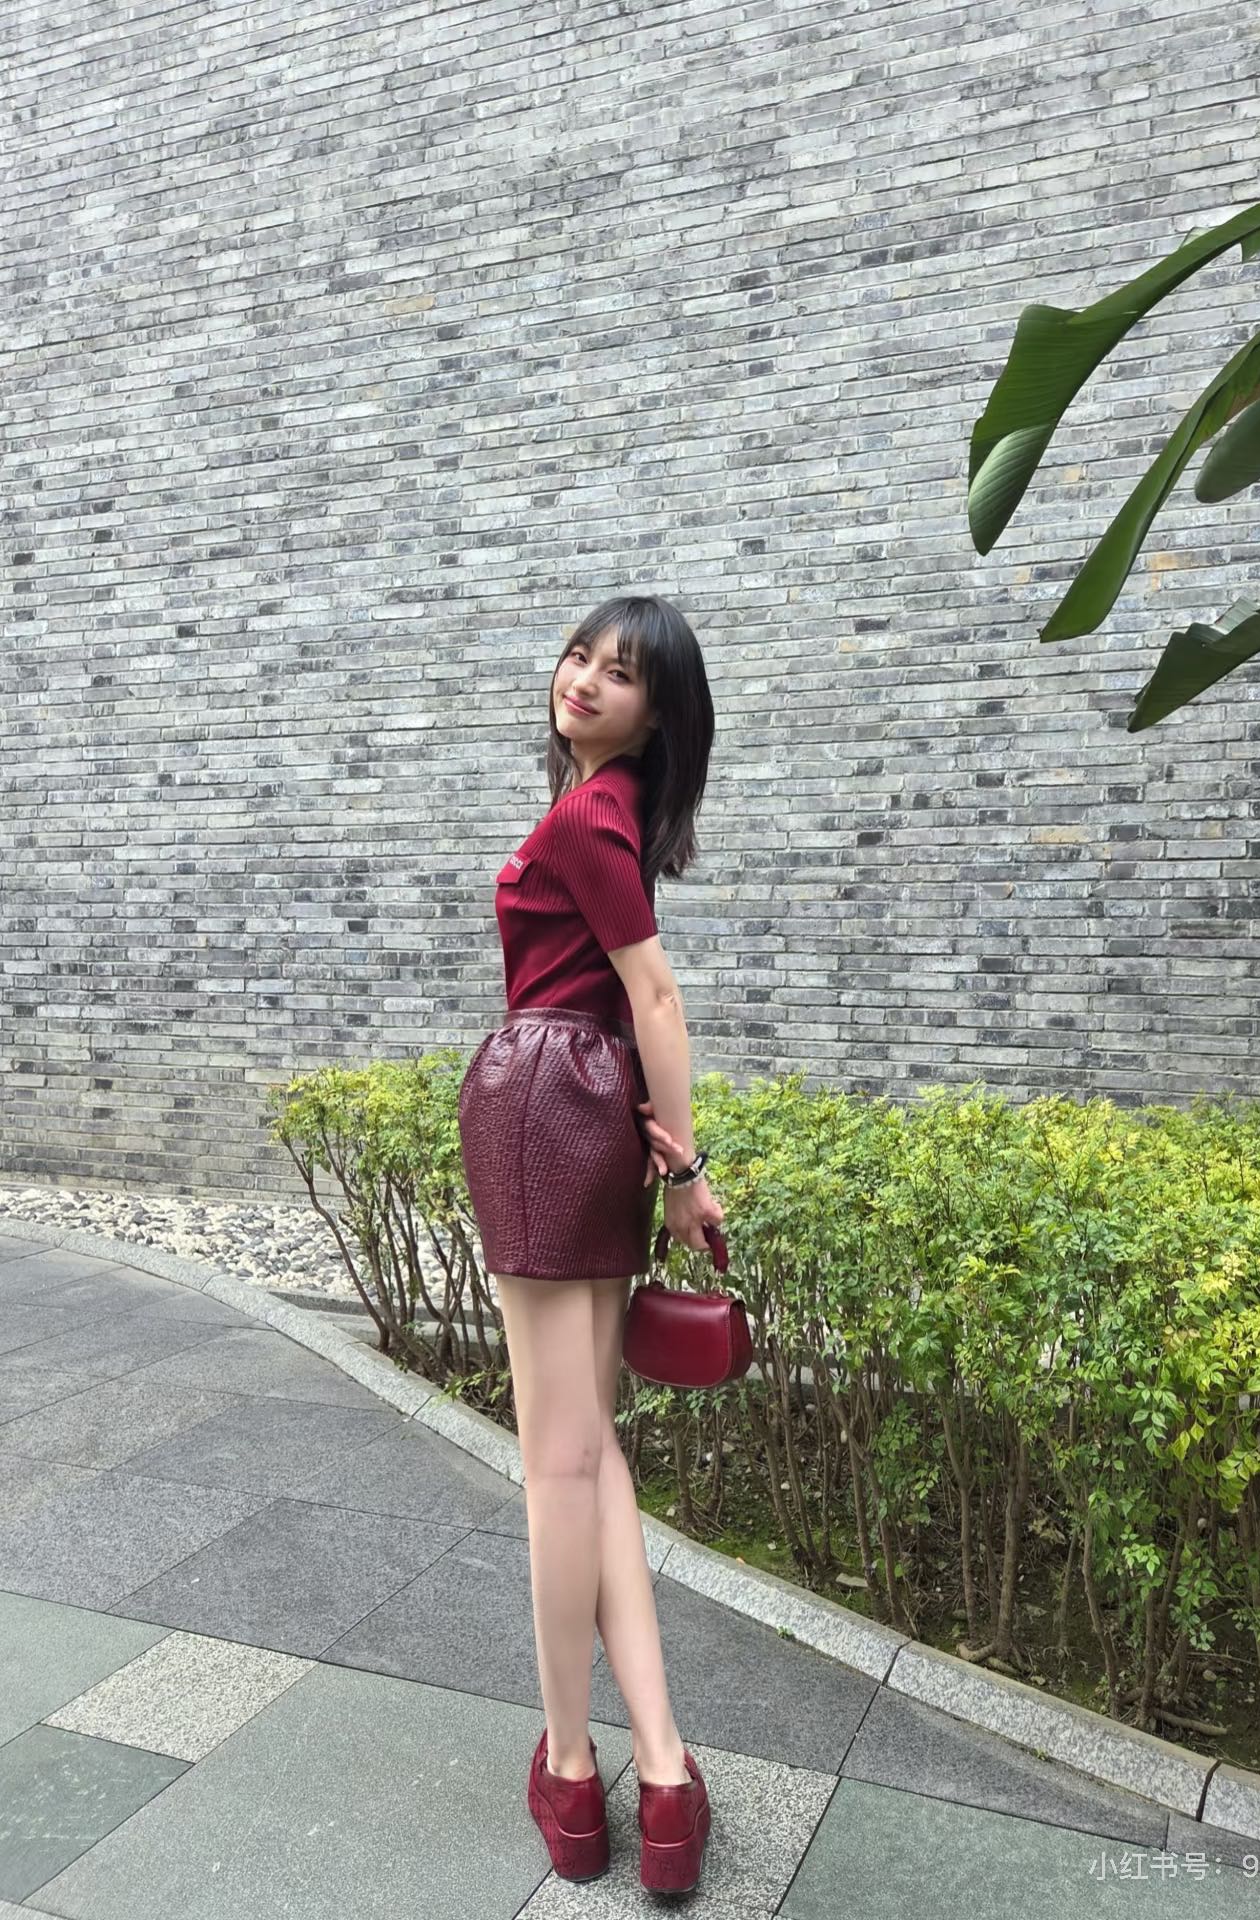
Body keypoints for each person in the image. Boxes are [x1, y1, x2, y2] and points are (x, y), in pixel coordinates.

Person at [457, 594, 725, 1894]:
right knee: (593, 1451)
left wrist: (689, 1170)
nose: (584, 681)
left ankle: (571, 1769)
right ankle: (664, 1778)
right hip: (590, 1109)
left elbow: (654, 993)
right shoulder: (609, 813)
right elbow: (636, 1004)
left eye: (620, 675)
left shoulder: (583, 819)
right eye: (580, 656)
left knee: (554, 1465)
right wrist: (666, 1157)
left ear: (657, 716)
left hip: (544, 1108)